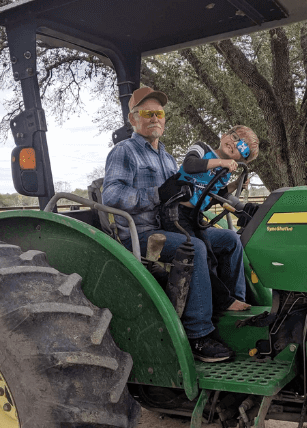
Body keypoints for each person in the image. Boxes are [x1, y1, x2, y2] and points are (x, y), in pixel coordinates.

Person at [102, 87, 258, 363]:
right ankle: (198, 334)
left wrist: (243, 207)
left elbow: (193, 190)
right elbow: (111, 196)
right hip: (141, 236)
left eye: (159, 113)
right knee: (194, 247)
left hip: (170, 225)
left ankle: (231, 307)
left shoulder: (165, 156)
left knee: (229, 240)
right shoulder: (124, 152)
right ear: (133, 119)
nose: (155, 118)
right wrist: (156, 195)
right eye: (147, 113)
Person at [160, 127, 260, 314]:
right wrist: (221, 162)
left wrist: (233, 185)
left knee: (212, 255)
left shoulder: (225, 173)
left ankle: (235, 297)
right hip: (175, 213)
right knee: (198, 253)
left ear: (241, 159)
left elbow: (213, 196)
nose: (235, 144)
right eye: (235, 137)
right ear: (224, 136)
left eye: (242, 148)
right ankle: (224, 302)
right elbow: (190, 165)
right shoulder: (200, 148)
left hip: (194, 216)